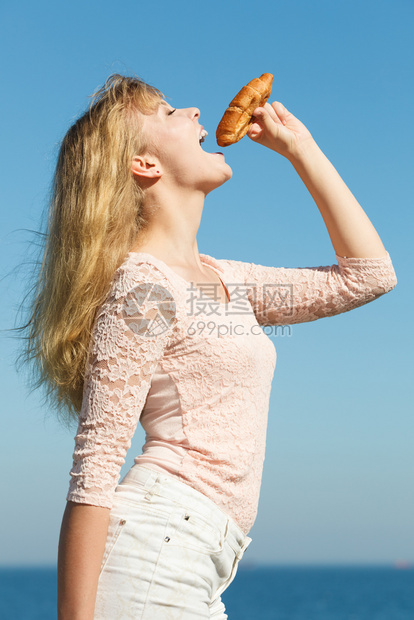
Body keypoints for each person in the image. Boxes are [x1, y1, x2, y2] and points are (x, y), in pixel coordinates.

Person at [19, 73, 396, 619]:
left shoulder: (224, 280)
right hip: (155, 555)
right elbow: (95, 469)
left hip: (201, 560)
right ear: (143, 165)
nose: (195, 110)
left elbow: (369, 276)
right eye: (169, 111)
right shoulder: (144, 287)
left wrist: (300, 148)